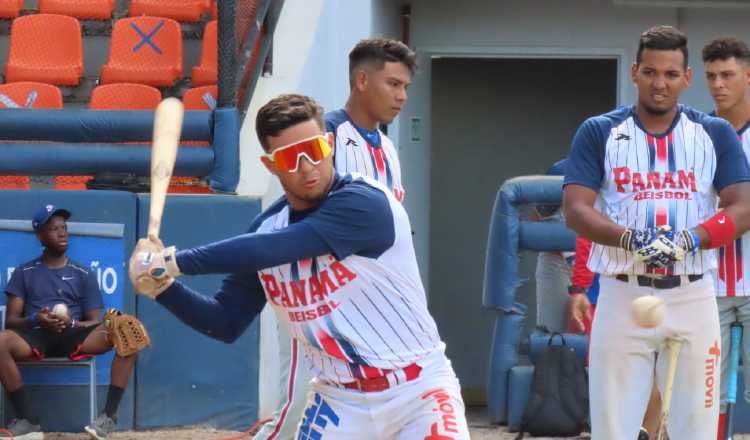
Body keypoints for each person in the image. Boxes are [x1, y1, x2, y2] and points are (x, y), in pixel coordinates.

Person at [128, 94, 470, 439]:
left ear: (330, 143)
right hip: (339, 402)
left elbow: (283, 246)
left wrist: (170, 263)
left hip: (417, 390)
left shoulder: (365, 202)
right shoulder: (264, 231)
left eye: (316, 150)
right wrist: (162, 288)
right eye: (291, 157)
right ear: (270, 165)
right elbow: (225, 322)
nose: (307, 166)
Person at [563, 25, 750, 440]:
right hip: (622, 291)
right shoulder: (600, 130)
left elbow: (743, 205)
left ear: (686, 78)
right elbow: (576, 209)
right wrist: (630, 238)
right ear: (634, 73)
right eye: (649, 72)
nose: (659, 83)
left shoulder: (713, 133)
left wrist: (692, 238)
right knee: (614, 428)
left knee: (697, 428)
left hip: (694, 293)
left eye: (670, 73)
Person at [253, 38, 417, 440]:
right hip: (313, 292)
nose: (401, 96)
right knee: (294, 410)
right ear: (362, 80)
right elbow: (288, 217)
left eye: (405, 88)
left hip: (365, 304)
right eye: (393, 84)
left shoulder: (390, 149)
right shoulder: (323, 135)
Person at [0, 205, 139, 440]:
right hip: (36, 334)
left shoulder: (83, 273)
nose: (62, 233)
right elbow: (12, 321)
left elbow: (94, 321)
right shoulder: (25, 272)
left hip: (76, 335)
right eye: (54, 228)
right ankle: (28, 422)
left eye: (64, 228)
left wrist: (71, 324)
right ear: (40, 236)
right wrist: (37, 319)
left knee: (128, 330)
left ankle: (108, 418)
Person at [702, 36, 750, 440]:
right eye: (711, 76)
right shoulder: (692, 134)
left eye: (728, 74)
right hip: (707, 285)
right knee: (704, 395)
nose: (719, 84)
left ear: (747, 75)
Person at [533, 159, 575, 333]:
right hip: (558, 261)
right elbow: (537, 218)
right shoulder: (563, 169)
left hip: (606, 264)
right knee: (552, 338)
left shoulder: (632, 167)